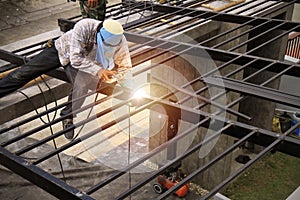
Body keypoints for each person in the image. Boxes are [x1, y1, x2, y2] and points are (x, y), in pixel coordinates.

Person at [0, 18, 132, 140]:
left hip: (85, 61)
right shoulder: (84, 26)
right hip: (62, 51)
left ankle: (67, 116)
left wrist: (125, 82)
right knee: (25, 72)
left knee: (81, 86)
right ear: (98, 34)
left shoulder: (120, 40)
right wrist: (98, 71)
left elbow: (125, 66)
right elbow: (75, 59)